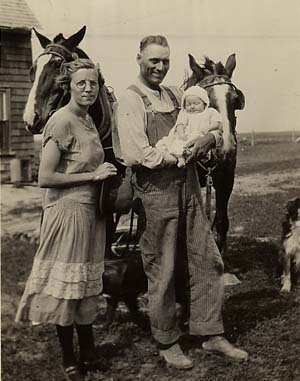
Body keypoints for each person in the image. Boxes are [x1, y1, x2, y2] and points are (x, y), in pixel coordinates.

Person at [115, 35, 248, 369]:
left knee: (207, 258)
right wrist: (176, 157)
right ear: (139, 59)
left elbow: (212, 125)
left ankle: (211, 332)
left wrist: (207, 139)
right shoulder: (132, 101)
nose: (160, 67)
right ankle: (167, 340)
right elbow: (137, 154)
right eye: (153, 61)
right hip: (157, 190)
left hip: (188, 186)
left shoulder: (178, 95)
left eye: (165, 61)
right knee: (163, 267)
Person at [15, 58, 117, 381]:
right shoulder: (61, 121)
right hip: (67, 214)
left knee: (85, 285)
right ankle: (69, 357)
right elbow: (45, 177)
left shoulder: (88, 121)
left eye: (93, 83)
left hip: (91, 216)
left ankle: (88, 351)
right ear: (68, 86)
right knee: (65, 288)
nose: (88, 89)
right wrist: (94, 174)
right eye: (81, 83)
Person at [156, 85, 223, 167]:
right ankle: (181, 158)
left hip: (201, 135)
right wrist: (181, 134)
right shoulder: (185, 114)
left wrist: (208, 128)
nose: (192, 106)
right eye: (188, 104)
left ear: (204, 103)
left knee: (198, 147)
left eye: (196, 103)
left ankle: (194, 158)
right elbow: (180, 124)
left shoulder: (210, 112)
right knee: (178, 144)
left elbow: (217, 123)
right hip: (188, 135)